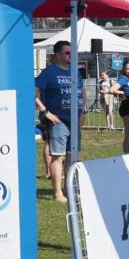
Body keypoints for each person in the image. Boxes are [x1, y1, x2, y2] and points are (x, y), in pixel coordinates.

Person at [34, 41, 84, 203]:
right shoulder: (49, 72)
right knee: (58, 156)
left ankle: (68, 189)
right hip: (58, 121)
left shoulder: (75, 71)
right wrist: (45, 111)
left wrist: (83, 111)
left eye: (72, 52)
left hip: (74, 120)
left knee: (72, 155)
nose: (71, 55)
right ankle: (57, 192)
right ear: (57, 55)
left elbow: (82, 91)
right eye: (67, 52)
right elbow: (34, 91)